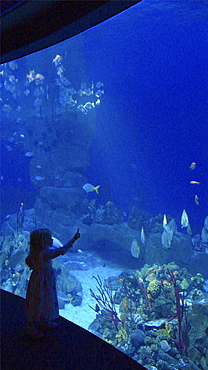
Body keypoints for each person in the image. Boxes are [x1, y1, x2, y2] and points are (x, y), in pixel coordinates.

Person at [25, 228, 80, 339]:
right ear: (43, 242)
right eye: (49, 238)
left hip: (37, 280)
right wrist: (74, 239)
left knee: (40, 300)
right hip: (44, 282)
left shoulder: (34, 253)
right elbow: (62, 251)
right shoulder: (45, 253)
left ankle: (42, 321)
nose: (52, 240)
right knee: (42, 300)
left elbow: (28, 261)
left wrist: (36, 268)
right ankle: (31, 328)